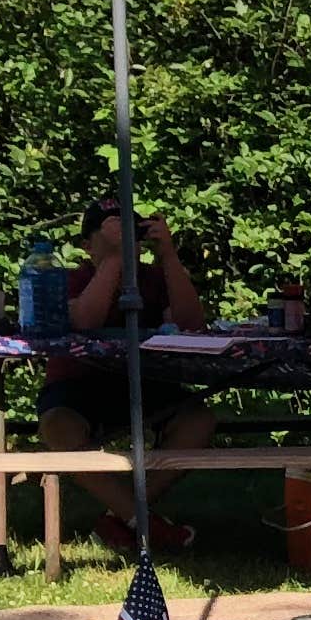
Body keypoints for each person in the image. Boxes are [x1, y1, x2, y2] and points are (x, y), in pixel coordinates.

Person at [39, 202, 221, 552]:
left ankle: (121, 516)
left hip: (147, 383)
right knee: (58, 427)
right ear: (87, 246)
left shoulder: (154, 279)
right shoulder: (72, 278)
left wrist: (168, 256)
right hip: (79, 384)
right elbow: (85, 321)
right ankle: (144, 523)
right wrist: (113, 260)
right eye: (111, 234)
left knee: (198, 420)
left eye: (131, 234)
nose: (125, 242)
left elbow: (191, 324)